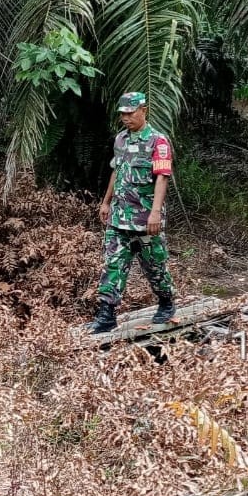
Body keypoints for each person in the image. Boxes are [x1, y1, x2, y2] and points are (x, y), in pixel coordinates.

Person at [89, 92, 177, 334]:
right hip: (119, 218)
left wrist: (155, 213)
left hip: (146, 220)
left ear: (143, 110)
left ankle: (167, 302)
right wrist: (106, 202)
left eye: (130, 113)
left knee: (155, 267)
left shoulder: (158, 142)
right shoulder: (120, 140)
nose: (126, 118)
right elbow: (116, 173)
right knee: (113, 265)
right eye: (123, 114)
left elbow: (162, 178)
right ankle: (106, 315)